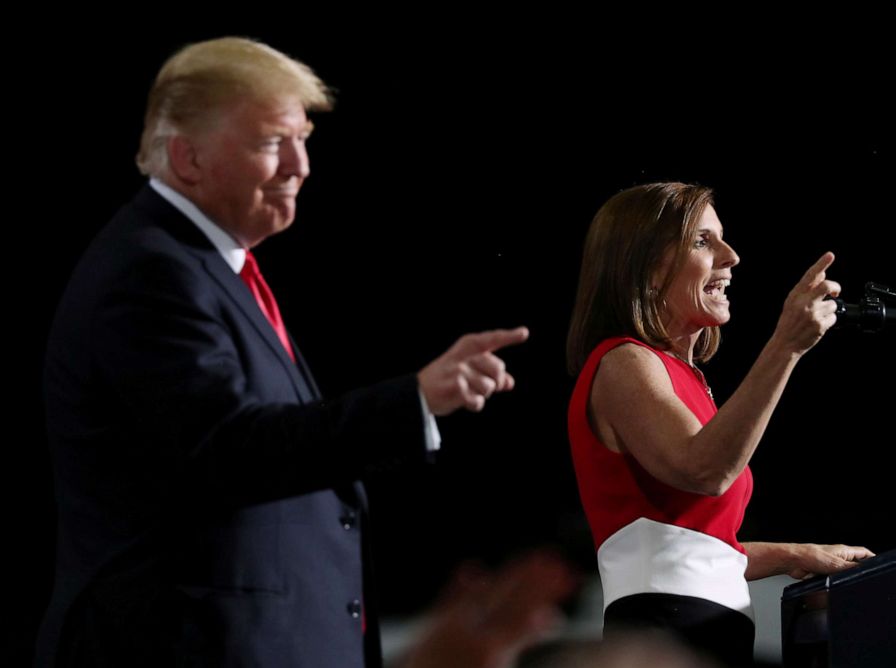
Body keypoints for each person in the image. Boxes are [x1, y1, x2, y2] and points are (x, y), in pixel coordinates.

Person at [37, 37, 529, 667]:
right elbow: (231, 449)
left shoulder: (204, 266)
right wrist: (414, 400)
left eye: (304, 140)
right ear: (188, 158)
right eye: (273, 142)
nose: (300, 165)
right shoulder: (150, 275)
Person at [565, 182, 873, 667]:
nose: (731, 257)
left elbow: (688, 551)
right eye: (702, 241)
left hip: (708, 629)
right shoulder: (624, 361)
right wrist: (785, 346)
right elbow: (705, 471)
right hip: (663, 634)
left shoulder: (686, 381)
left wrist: (795, 554)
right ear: (645, 266)